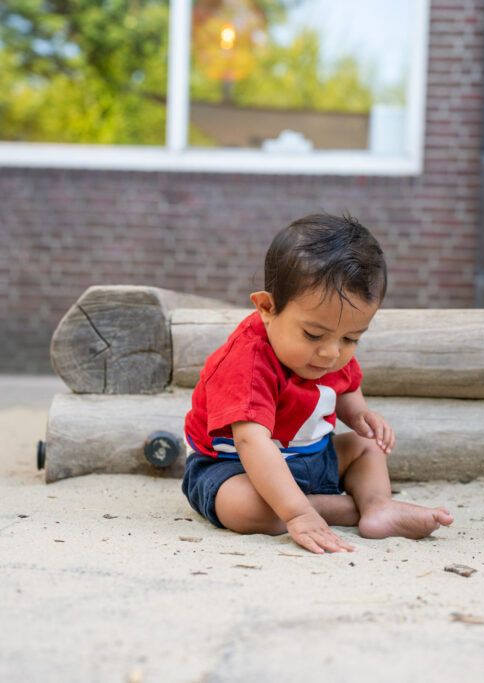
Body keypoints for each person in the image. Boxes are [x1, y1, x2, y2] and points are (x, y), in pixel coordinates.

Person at [182, 213, 453, 554]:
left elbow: (347, 386)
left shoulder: (329, 350)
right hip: (235, 466)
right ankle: (336, 509)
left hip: (314, 457)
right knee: (241, 506)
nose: (331, 352)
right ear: (267, 307)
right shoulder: (246, 362)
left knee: (365, 446)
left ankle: (378, 505)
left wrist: (359, 414)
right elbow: (250, 441)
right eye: (313, 334)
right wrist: (297, 514)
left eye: (351, 338)